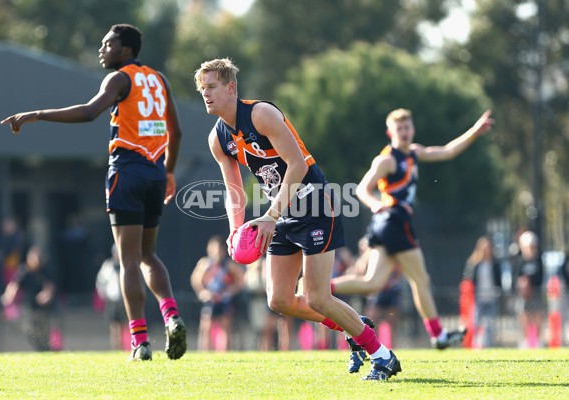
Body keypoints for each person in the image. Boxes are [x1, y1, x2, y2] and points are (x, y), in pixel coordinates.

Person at [194, 58, 400, 381]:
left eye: (211, 87)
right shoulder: (218, 139)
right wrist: (235, 231)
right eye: (201, 88)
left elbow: (298, 166)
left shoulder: (261, 114)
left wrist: (270, 216)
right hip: (281, 214)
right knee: (279, 299)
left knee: (317, 296)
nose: (205, 94)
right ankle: (354, 325)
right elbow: (234, 191)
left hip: (315, 205)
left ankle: (382, 355)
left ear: (231, 88)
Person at [0, 24, 186, 361]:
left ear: (126, 49)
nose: (102, 49)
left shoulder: (118, 79)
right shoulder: (160, 80)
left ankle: (140, 342)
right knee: (148, 255)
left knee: (127, 260)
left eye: (108, 43)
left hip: (127, 172)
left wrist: (36, 114)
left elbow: (89, 112)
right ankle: (172, 316)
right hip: (155, 173)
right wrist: (169, 170)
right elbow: (176, 130)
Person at [331, 108, 493, 358]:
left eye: (407, 128)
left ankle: (321, 287)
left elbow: (447, 151)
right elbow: (362, 189)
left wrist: (475, 131)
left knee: (372, 283)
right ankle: (438, 335)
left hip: (388, 226)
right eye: (399, 129)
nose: (405, 133)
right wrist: (375, 204)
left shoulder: (414, 153)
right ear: (390, 133)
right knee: (421, 280)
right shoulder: (386, 160)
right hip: (394, 223)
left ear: (413, 129)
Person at [190, 235, 245, 351]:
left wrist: (229, 291)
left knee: (225, 328)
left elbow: (241, 281)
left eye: (219, 249)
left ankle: (223, 354)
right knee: (206, 328)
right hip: (210, 300)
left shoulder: (229, 265)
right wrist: (203, 293)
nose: (217, 253)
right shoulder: (205, 263)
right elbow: (195, 279)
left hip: (224, 300)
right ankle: (205, 355)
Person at [0, 245, 56, 351]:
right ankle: (41, 349)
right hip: (29, 306)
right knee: (29, 330)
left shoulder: (46, 269)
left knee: (44, 332)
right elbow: (14, 285)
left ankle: (46, 350)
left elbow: (49, 286)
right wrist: (8, 296)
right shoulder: (23, 271)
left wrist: (46, 295)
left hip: (44, 308)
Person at [462, 236, 502, 348]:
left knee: (489, 324)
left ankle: (488, 346)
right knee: (475, 323)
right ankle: (475, 345)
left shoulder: (495, 264)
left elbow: (499, 281)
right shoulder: (474, 264)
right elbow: (468, 279)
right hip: (478, 299)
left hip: (491, 298)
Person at [513, 230, 544, 348]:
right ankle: (526, 340)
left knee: (537, 317)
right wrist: (522, 284)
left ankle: (538, 341)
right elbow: (516, 276)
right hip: (524, 295)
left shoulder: (539, 259)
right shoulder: (520, 260)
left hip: (535, 293)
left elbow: (540, 276)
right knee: (524, 317)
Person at [96, 244, 129, 351]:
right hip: (112, 300)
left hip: (125, 300)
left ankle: (129, 348)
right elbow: (100, 282)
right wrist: (104, 295)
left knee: (127, 326)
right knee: (114, 327)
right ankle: (116, 349)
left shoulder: (128, 265)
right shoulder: (108, 266)